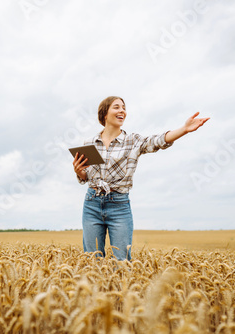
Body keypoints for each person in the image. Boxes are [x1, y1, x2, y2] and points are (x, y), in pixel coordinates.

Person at [73, 96, 209, 261]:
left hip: (119, 206)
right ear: (105, 114)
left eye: (123, 107)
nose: (122, 110)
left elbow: (158, 141)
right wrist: (80, 172)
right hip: (92, 204)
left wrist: (183, 129)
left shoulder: (133, 141)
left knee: (122, 262)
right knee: (91, 260)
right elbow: (88, 176)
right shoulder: (89, 143)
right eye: (116, 107)